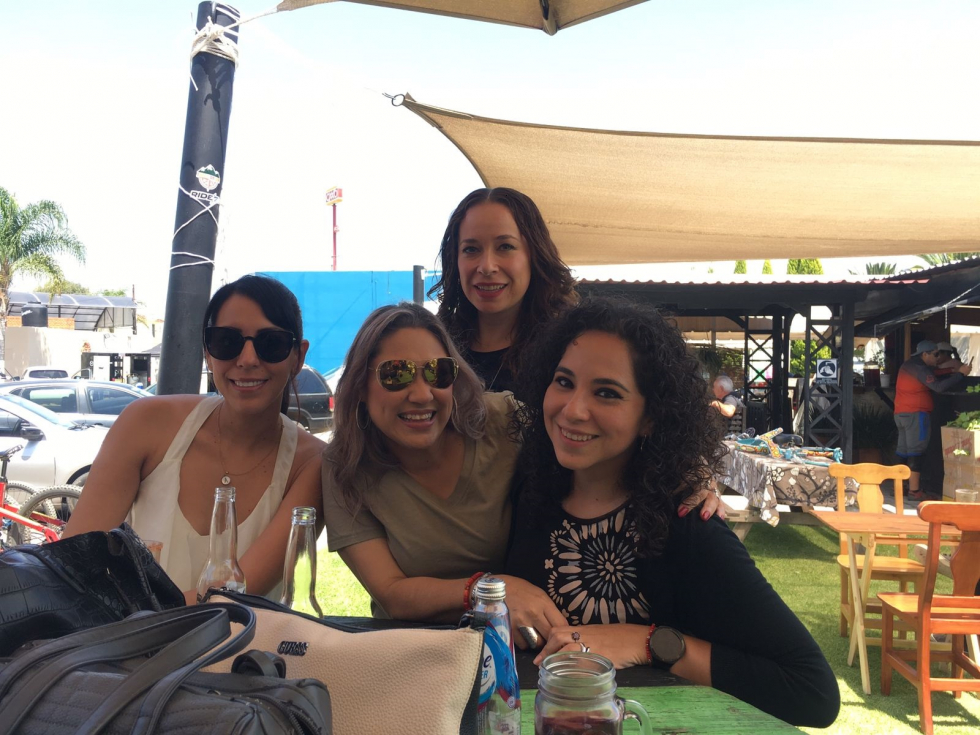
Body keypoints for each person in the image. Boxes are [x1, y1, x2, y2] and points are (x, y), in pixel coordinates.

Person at [504, 298, 840, 728]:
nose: (572, 409)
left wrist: (648, 643)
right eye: (564, 382)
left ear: (650, 417)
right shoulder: (527, 494)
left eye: (607, 393)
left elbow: (812, 691)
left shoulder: (686, 522)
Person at [321, 302, 720, 633]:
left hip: (521, 646)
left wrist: (688, 467)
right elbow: (392, 593)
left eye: (438, 372)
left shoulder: (499, 422)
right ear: (359, 386)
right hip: (414, 648)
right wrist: (490, 589)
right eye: (396, 375)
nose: (422, 394)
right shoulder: (346, 469)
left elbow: (585, 432)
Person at [64, 275, 326, 604]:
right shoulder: (146, 423)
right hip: (124, 634)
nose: (247, 359)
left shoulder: (312, 463)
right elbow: (75, 564)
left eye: (271, 343)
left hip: (228, 640)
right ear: (207, 352)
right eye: (226, 341)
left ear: (298, 357)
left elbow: (233, 597)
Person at [428, 187, 577, 393]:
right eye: (471, 249)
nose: (487, 267)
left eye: (505, 246)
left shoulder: (569, 349)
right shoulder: (434, 347)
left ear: (535, 255)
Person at [894, 339, 971, 500]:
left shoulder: (909, 365)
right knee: (916, 452)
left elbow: (931, 375)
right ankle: (914, 491)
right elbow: (938, 387)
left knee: (903, 451)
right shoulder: (921, 368)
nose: (938, 358)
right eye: (935, 355)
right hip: (916, 414)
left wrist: (949, 370)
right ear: (925, 354)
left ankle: (899, 487)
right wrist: (960, 374)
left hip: (901, 413)